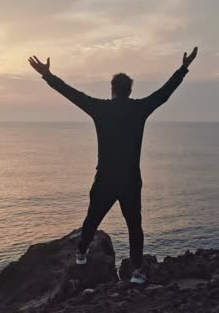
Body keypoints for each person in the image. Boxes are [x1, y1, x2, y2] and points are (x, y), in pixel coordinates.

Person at [28, 47, 198, 284]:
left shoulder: (101, 109)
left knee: (92, 219)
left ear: (112, 90)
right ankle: (137, 271)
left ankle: (81, 252)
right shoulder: (139, 109)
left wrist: (47, 74)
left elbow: (71, 94)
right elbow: (164, 93)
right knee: (134, 227)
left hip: (105, 179)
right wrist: (183, 68)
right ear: (130, 91)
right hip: (129, 180)